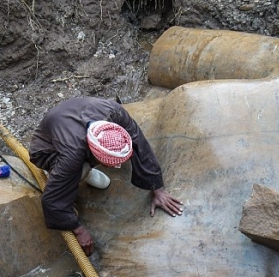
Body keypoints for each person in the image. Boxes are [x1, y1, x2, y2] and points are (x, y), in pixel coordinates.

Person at [29, 96, 183, 256]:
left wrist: (157, 188)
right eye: (110, 163)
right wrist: (79, 230)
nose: (115, 166)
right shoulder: (72, 154)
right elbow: (51, 201)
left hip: (73, 120)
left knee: (87, 165)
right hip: (47, 148)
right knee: (74, 170)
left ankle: (82, 169)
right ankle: (73, 172)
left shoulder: (116, 113)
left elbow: (140, 145)